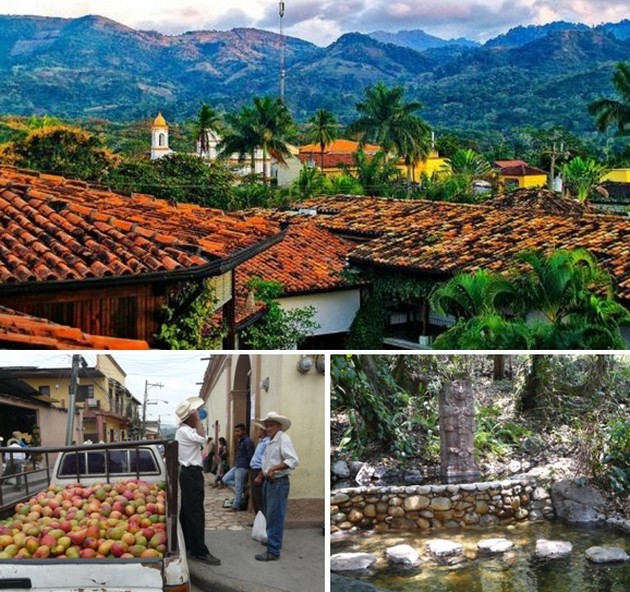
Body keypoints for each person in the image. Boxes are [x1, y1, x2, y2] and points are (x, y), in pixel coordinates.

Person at [174, 396, 221, 566]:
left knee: (187, 512)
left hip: (189, 473)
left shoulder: (184, 431)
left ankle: (187, 544)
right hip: (191, 473)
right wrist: (197, 419)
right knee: (195, 513)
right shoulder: (185, 431)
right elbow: (203, 438)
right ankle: (199, 551)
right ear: (190, 417)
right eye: (194, 415)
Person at [254, 411, 299, 562]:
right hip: (270, 481)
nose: (268, 428)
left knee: (275, 516)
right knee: (270, 513)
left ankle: (273, 550)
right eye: (266, 425)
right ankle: (272, 541)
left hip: (278, 482)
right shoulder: (271, 440)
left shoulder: (283, 439)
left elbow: (292, 460)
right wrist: (262, 475)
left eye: (271, 425)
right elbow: (267, 462)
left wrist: (273, 469)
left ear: (279, 426)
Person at [222, 423, 254, 512]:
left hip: (243, 466)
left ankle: (236, 505)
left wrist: (250, 467)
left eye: (238, 431)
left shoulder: (247, 441)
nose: (236, 433)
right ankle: (244, 487)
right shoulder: (240, 441)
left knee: (238, 488)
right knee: (225, 479)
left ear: (243, 431)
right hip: (237, 465)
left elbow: (250, 455)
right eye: (235, 431)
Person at [249, 422, 269, 516]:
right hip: (254, 469)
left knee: (259, 497)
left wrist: (260, 475)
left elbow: (266, 461)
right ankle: (258, 519)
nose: (258, 432)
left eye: (260, 430)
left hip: (259, 470)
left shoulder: (267, 443)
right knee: (255, 497)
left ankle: (261, 519)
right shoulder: (261, 442)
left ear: (264, 431)